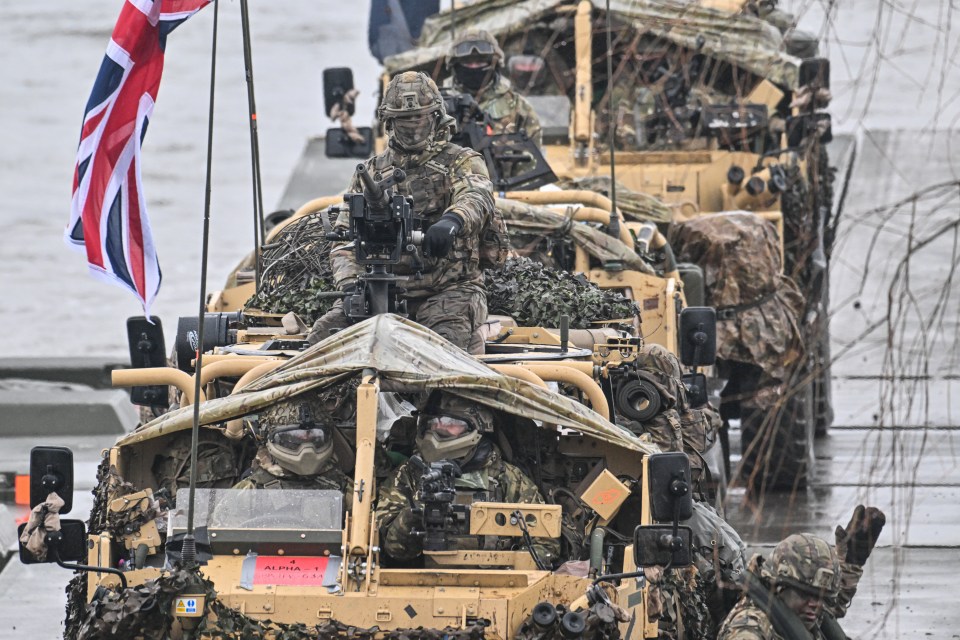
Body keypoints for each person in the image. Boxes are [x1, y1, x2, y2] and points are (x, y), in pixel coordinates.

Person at [307, 71, 496, 354]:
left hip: (450, 290)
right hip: (380, 285)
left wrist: (452, 220)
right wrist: (350, 287)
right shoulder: (370, 173)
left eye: (419, 118)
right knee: (322, 341)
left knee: (440, 351)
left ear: (435, 117)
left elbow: (476, 195)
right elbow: (344, 240)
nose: (413, 127)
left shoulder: (461, 161)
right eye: (404, 120)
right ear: (389, 122)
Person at [376, 391, 560, 567]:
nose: (438, 429)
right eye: (433, 423)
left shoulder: (508, 478)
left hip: (496, 589)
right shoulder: (408, 474)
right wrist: (413, 518)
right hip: (417, 587)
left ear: (477, 427)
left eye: (449, 423)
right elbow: (389, 549)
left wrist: (512, 570)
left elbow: (545, 544)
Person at [718, 506, 885, 640]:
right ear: (779, 587)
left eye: (821, 597)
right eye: (806, 595)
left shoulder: (798, 611)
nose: (815, 604)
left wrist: (850, 563)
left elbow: (829, 607)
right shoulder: (748, 629)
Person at [233, 400, 352, 500]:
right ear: (268, 439)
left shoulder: (344, 490)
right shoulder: (247, 493)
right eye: (293, 439)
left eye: (315, 437)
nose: (306, 450)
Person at [446, 30, 542, 147]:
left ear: (495, 65)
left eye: (481, 63)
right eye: (468, 63)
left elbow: (533, 159)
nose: (474, 68)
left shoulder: (519, 107)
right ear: (455, 66)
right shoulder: (438, 105)